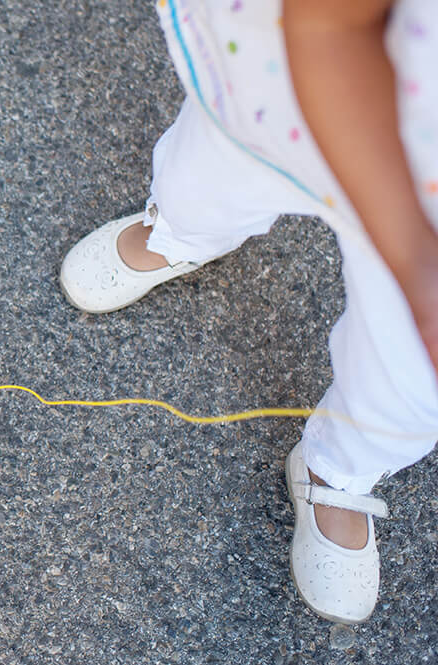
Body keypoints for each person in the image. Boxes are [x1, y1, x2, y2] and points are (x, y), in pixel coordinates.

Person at [60, 0, 438, 624]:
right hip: (293, 80)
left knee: (410, 384)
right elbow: (329, 26)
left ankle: (338, 472)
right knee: (217, 170)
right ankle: (179, 234)